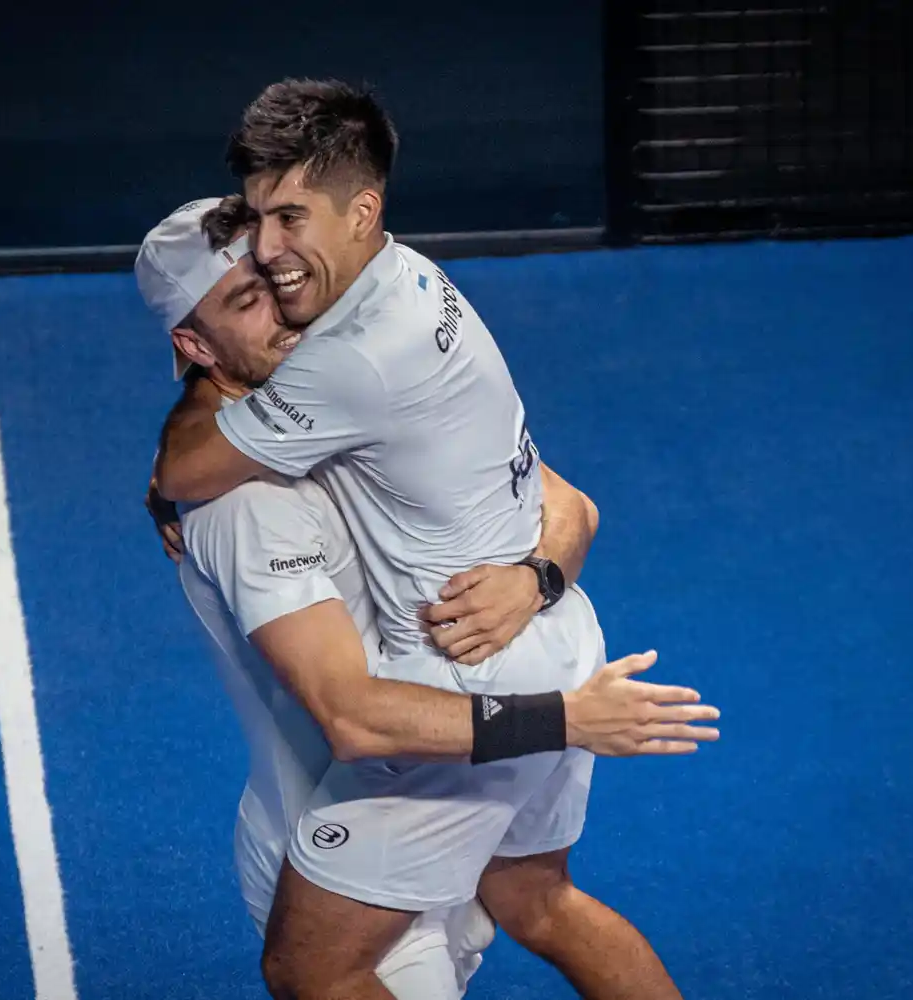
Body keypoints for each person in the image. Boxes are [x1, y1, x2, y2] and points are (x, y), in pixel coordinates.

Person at [144, 173, 717, 1000]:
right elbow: (349, 714)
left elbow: (568, 505)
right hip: (399, 761)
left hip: (437, 745)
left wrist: (533, 575)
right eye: (245, 301)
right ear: (196, 348)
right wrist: (565, 716)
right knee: (533, 898)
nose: (282, 307)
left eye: (278, 279)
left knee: (316, 971)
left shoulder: (351, 386)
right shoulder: (244, 506)